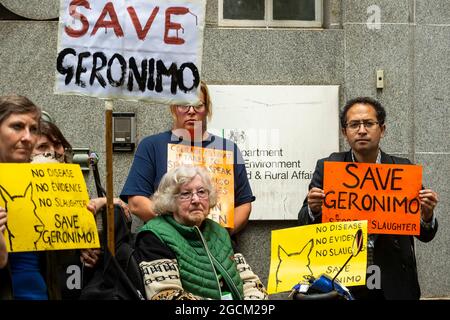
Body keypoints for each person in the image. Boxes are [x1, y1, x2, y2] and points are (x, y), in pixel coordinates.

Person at [298, 97, 439, 300]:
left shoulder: (403, 170)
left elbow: (426, 235)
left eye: (369, 124)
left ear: (382, 129)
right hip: (343, 279)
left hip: (393, 278)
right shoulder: (329, 167)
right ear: (344, 131)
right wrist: (314, 209)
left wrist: (426, 216)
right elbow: (304, 221)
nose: (362, 130)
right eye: (354, 124)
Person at [121, 81, 255, 235]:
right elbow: (136, 202)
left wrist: (220, 237)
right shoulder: (151, 146)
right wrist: (175, 231)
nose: (191, 111)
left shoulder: (228, 149)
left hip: (216, 249)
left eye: (198, 105)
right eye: (184, 104)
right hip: (166, 244)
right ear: (173, 108)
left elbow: (244, 205)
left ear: (206, 109)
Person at [134, 165, 267, 300]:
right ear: (170, 200)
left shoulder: (219, 232)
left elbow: (252, 283)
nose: (196, 200)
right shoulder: (154, 236)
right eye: (186, 194)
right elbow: (165, 296)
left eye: (202, 192)